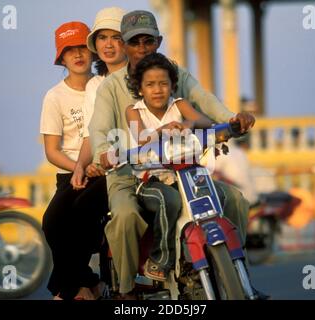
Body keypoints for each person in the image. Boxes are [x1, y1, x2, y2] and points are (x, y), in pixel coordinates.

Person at [88, 10, 260, 299]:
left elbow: (204, 100)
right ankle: (127, 289)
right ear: (125, 45)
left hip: (181, 170)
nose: (142, 48)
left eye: (148, 41)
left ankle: (236, 271)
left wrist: (232, 121)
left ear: (159, 41)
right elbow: (99, 128)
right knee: (125, 216)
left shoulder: (175, 74)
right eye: (134, 42)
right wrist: (104, 153)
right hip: (131, 175)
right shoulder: (111, 88)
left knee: (235, 200)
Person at [125, 52, 217, 281]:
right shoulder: (134, 111)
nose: (157, 90)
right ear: (140, 88)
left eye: (163, 83)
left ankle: (219, 262)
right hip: (149, 181)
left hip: (184, 176)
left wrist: (189, 123)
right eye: (150, 84)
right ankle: (160, 259)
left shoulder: (179, 104)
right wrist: (162, 130)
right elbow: (140, 138)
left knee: (216, 198)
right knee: (170, 200)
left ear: (172, 86)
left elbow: (205, 122)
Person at [39, 21, 108, 300]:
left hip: (103, 171)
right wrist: (78, 167)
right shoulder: (54, 96)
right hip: (70, 175)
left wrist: (94, 165)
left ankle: (70, 290)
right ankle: (88, 283)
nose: (78, 55)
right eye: (69, 51)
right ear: (62, 59)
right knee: (51, 222)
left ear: (92, 51)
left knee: (79, 219)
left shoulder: (104, 85)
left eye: (82, 47)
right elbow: (52, 151)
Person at [71, 7, 127, 189]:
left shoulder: (144, 78)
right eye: (102, 38)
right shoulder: (94, 85)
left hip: (132, 165)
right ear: (95, 44)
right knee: (57, 215)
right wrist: (80, 166)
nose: (108, 44)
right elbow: (90, 136)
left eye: (116, 37)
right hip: (103, 167)